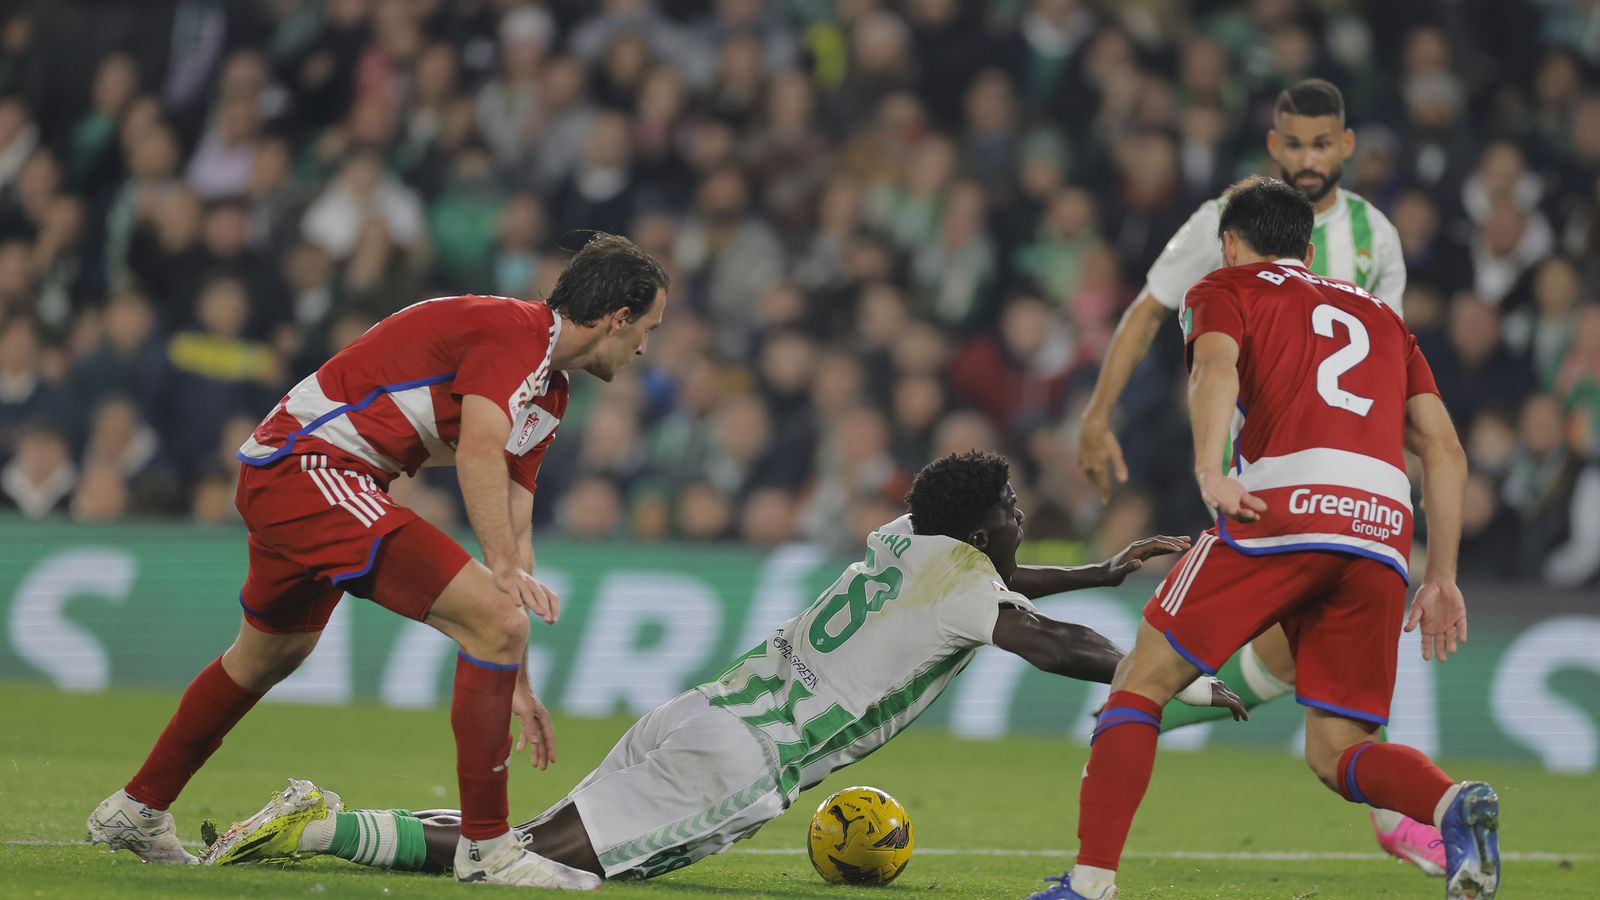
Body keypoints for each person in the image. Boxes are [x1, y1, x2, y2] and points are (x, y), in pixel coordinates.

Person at [200, 450, 1246, 881]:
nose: (1023, 520)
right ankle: (324, 822)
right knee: (530, 876)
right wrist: (1178, 683)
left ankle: (322, 822)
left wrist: (1102, 570)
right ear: (980, 526)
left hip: (698, 714)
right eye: (1012, 510)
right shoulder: (974, 586)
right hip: (739, 765)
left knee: (512, 846)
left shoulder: (905, 543)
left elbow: (1009, 592)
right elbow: (1046, 642)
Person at [86, 233, 671, 890]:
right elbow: (479, 451)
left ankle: (136, 809)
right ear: (617, 319)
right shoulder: (514, 331)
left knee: (267, 657)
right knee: (490, 621)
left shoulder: (550, 389)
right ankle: (488, 851)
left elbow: (514, 522)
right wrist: (501, 580)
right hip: (311, 468)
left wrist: (517, 672)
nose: (645, 345)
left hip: (302, 476)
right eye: (648, 327)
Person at [1031, 178, 1497, 900]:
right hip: (1381, 531)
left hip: (1279, 509)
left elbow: (1214, 369)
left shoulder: (1226, 287)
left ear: (1231, 241)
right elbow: (1444, 449)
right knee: (1338, 749)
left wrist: (1210, 470)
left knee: (1140, 683)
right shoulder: (1382, 318)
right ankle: (1449, 802)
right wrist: (1442, 573)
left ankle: (1088, 885)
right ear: (1309, 249)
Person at [1075, 78, 1439, 870]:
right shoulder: (1223, 221)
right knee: (1301, 674)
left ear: (1346, 147)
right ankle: (1410, 801)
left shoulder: (1372, 238)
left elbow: (1226, 364)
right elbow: (1149, 311)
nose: (1308, 158)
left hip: (1279, 484)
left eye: (1322, 144)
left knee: (1161, 668)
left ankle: (1128, 758)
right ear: (1276, 147)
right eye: (1295, 144)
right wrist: (1099, 414)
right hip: (1325, 485)